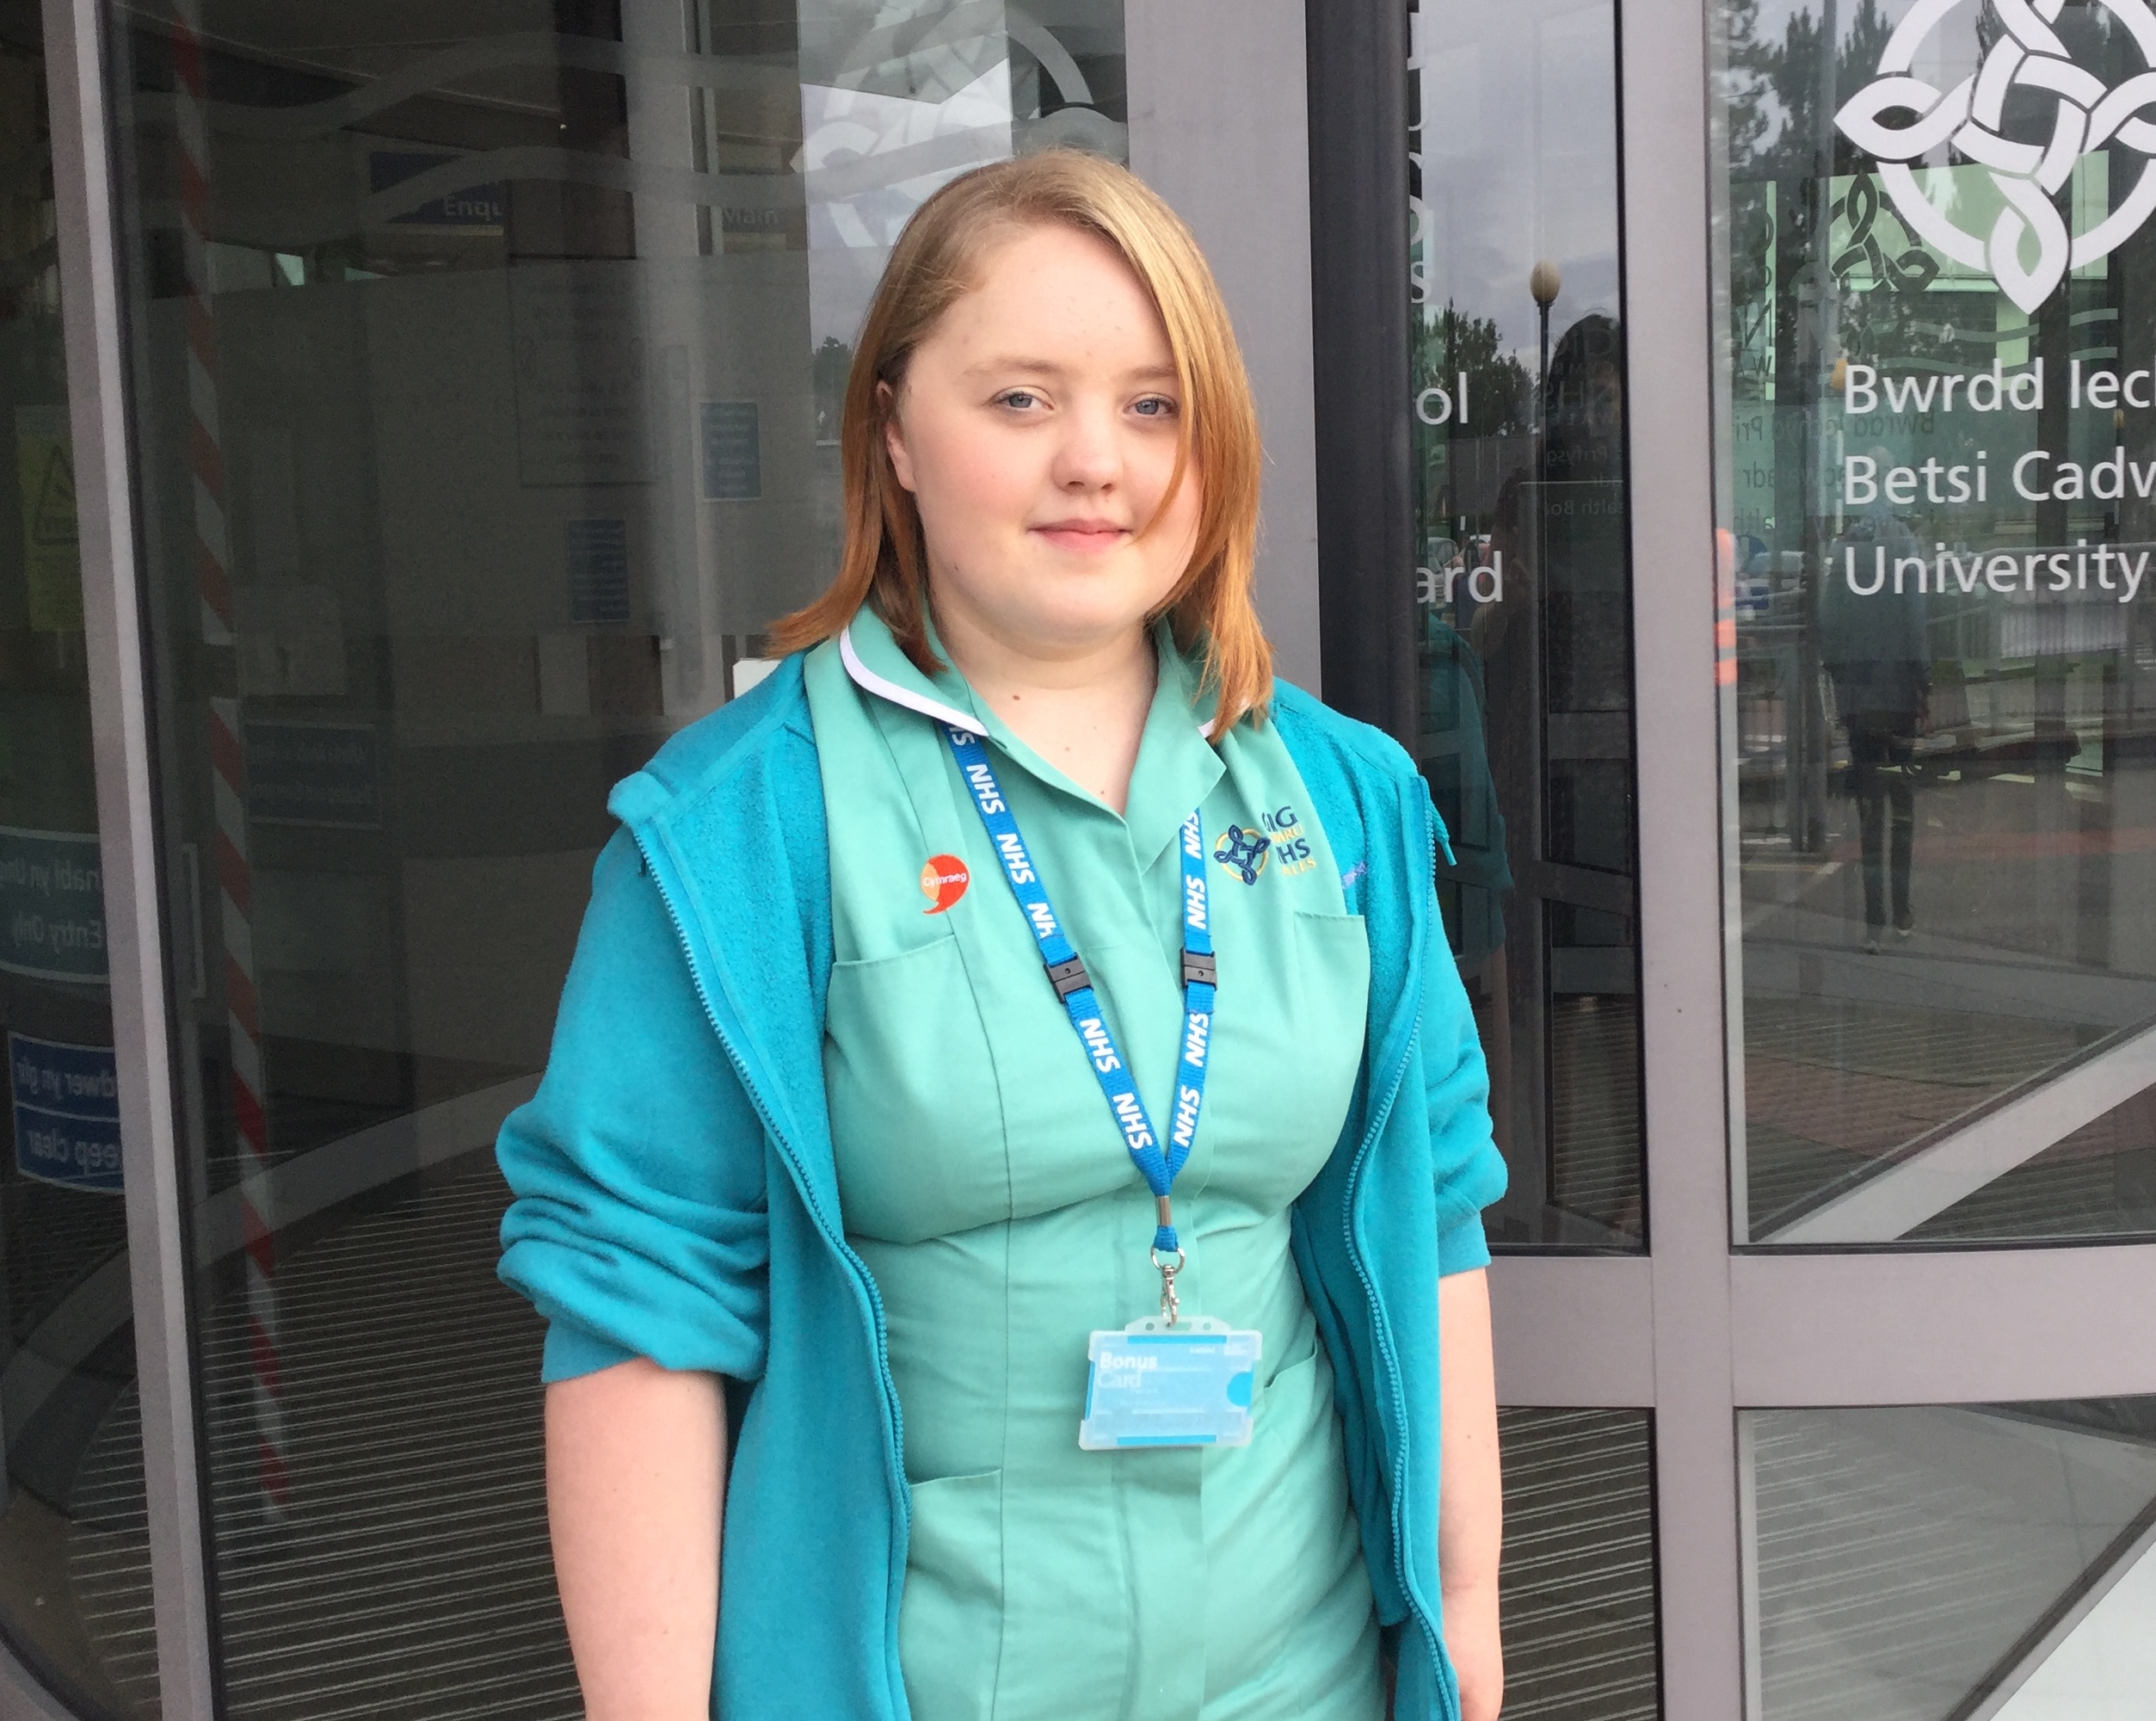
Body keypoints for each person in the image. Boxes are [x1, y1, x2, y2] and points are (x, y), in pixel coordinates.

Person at [496, 151, 1508, 1721]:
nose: (1094, 461)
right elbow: (642, 1313)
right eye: (1020, 399)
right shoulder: (737, 833)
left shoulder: (1345, 796)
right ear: (893, 429)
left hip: (1307, 1685)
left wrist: (1465, 1616)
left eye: (1151, 404)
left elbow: (1431, 1211)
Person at [1819, 498, 1931, 947]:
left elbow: (1828, 622)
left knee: (1870, 810)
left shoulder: (1845, 550)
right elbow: (1915, 620)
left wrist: (1842, 681)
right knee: (1903, 807)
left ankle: (1872, 921)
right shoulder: (1904, 546)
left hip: (1860, 698)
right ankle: (1903, 911)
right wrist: (1924, 683)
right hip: (1901, 694)